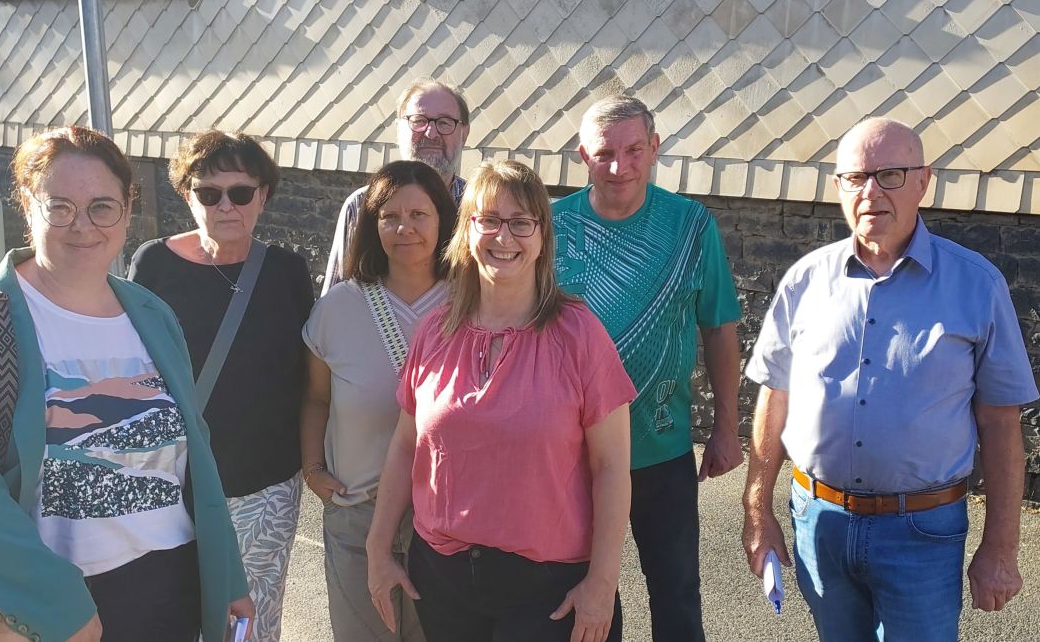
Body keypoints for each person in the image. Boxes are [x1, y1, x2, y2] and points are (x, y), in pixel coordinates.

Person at [0, 126, 252, 642]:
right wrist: (58, 605)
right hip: (50, 604)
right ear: (28, 204)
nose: (82, 225)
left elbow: (195, 453)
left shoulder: (151, 313)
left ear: (127, 210)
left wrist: (226, 576)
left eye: (101, 206)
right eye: (60, 206)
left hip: (170, 588)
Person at [741, 117, 1039, 641]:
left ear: (924, 181)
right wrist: (757, 510)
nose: (871, 192)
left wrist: (1000, 547)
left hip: (921, 533)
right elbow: (775, 394)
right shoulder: (805, 280)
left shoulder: (976, 284)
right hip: (818, 522)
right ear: (838, 186)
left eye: (891, 175)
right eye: (856, 177)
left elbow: (1000, 423)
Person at [366, 159, 635, 642]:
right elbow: (407, 447)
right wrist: (378, 550)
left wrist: (602, 582)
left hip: (548, 588)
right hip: (443, 580)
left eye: (520, 222)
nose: (503, 237)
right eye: (488, 219)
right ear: (467, 231)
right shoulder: (435, 330)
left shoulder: (580, 335)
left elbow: (612, 466)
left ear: (542, 236)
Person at [552, 95, 743, 641]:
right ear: (582, 155)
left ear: (655, 148)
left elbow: (719, 329)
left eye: (634, 150)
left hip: (661, 447)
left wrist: (726, 428)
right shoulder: (550, 225)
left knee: (676, 590)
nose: (620, 166)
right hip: (571, 452)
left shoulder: (690, 225)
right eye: (604, 153)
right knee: (586, 594)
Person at [128, 130, 314, 641]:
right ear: (187, 195)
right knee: (171, 614)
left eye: (241, 192)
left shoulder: (287, 273)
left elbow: (309, 377)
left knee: (250, 619)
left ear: (264, 196)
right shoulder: (154, 264)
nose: (226, 205)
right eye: (209, 193)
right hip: (170, 481)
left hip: (263, 483)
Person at [302, 160, 457, 641]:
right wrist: (313, 470)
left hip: (449, 520)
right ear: (372, 225)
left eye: (419, 214)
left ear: (444, 221)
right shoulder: (338, 307)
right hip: (358, 511)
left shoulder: (473, 303)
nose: (404, 227)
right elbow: (316, 398)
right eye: (390, 216)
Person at [322, 78, 470, 294]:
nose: (431, 133)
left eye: (445, 122)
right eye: (419, 120)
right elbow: (336, 297)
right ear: (399, 130)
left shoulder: (480, 208)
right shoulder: (361, 205)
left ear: (464, 133)